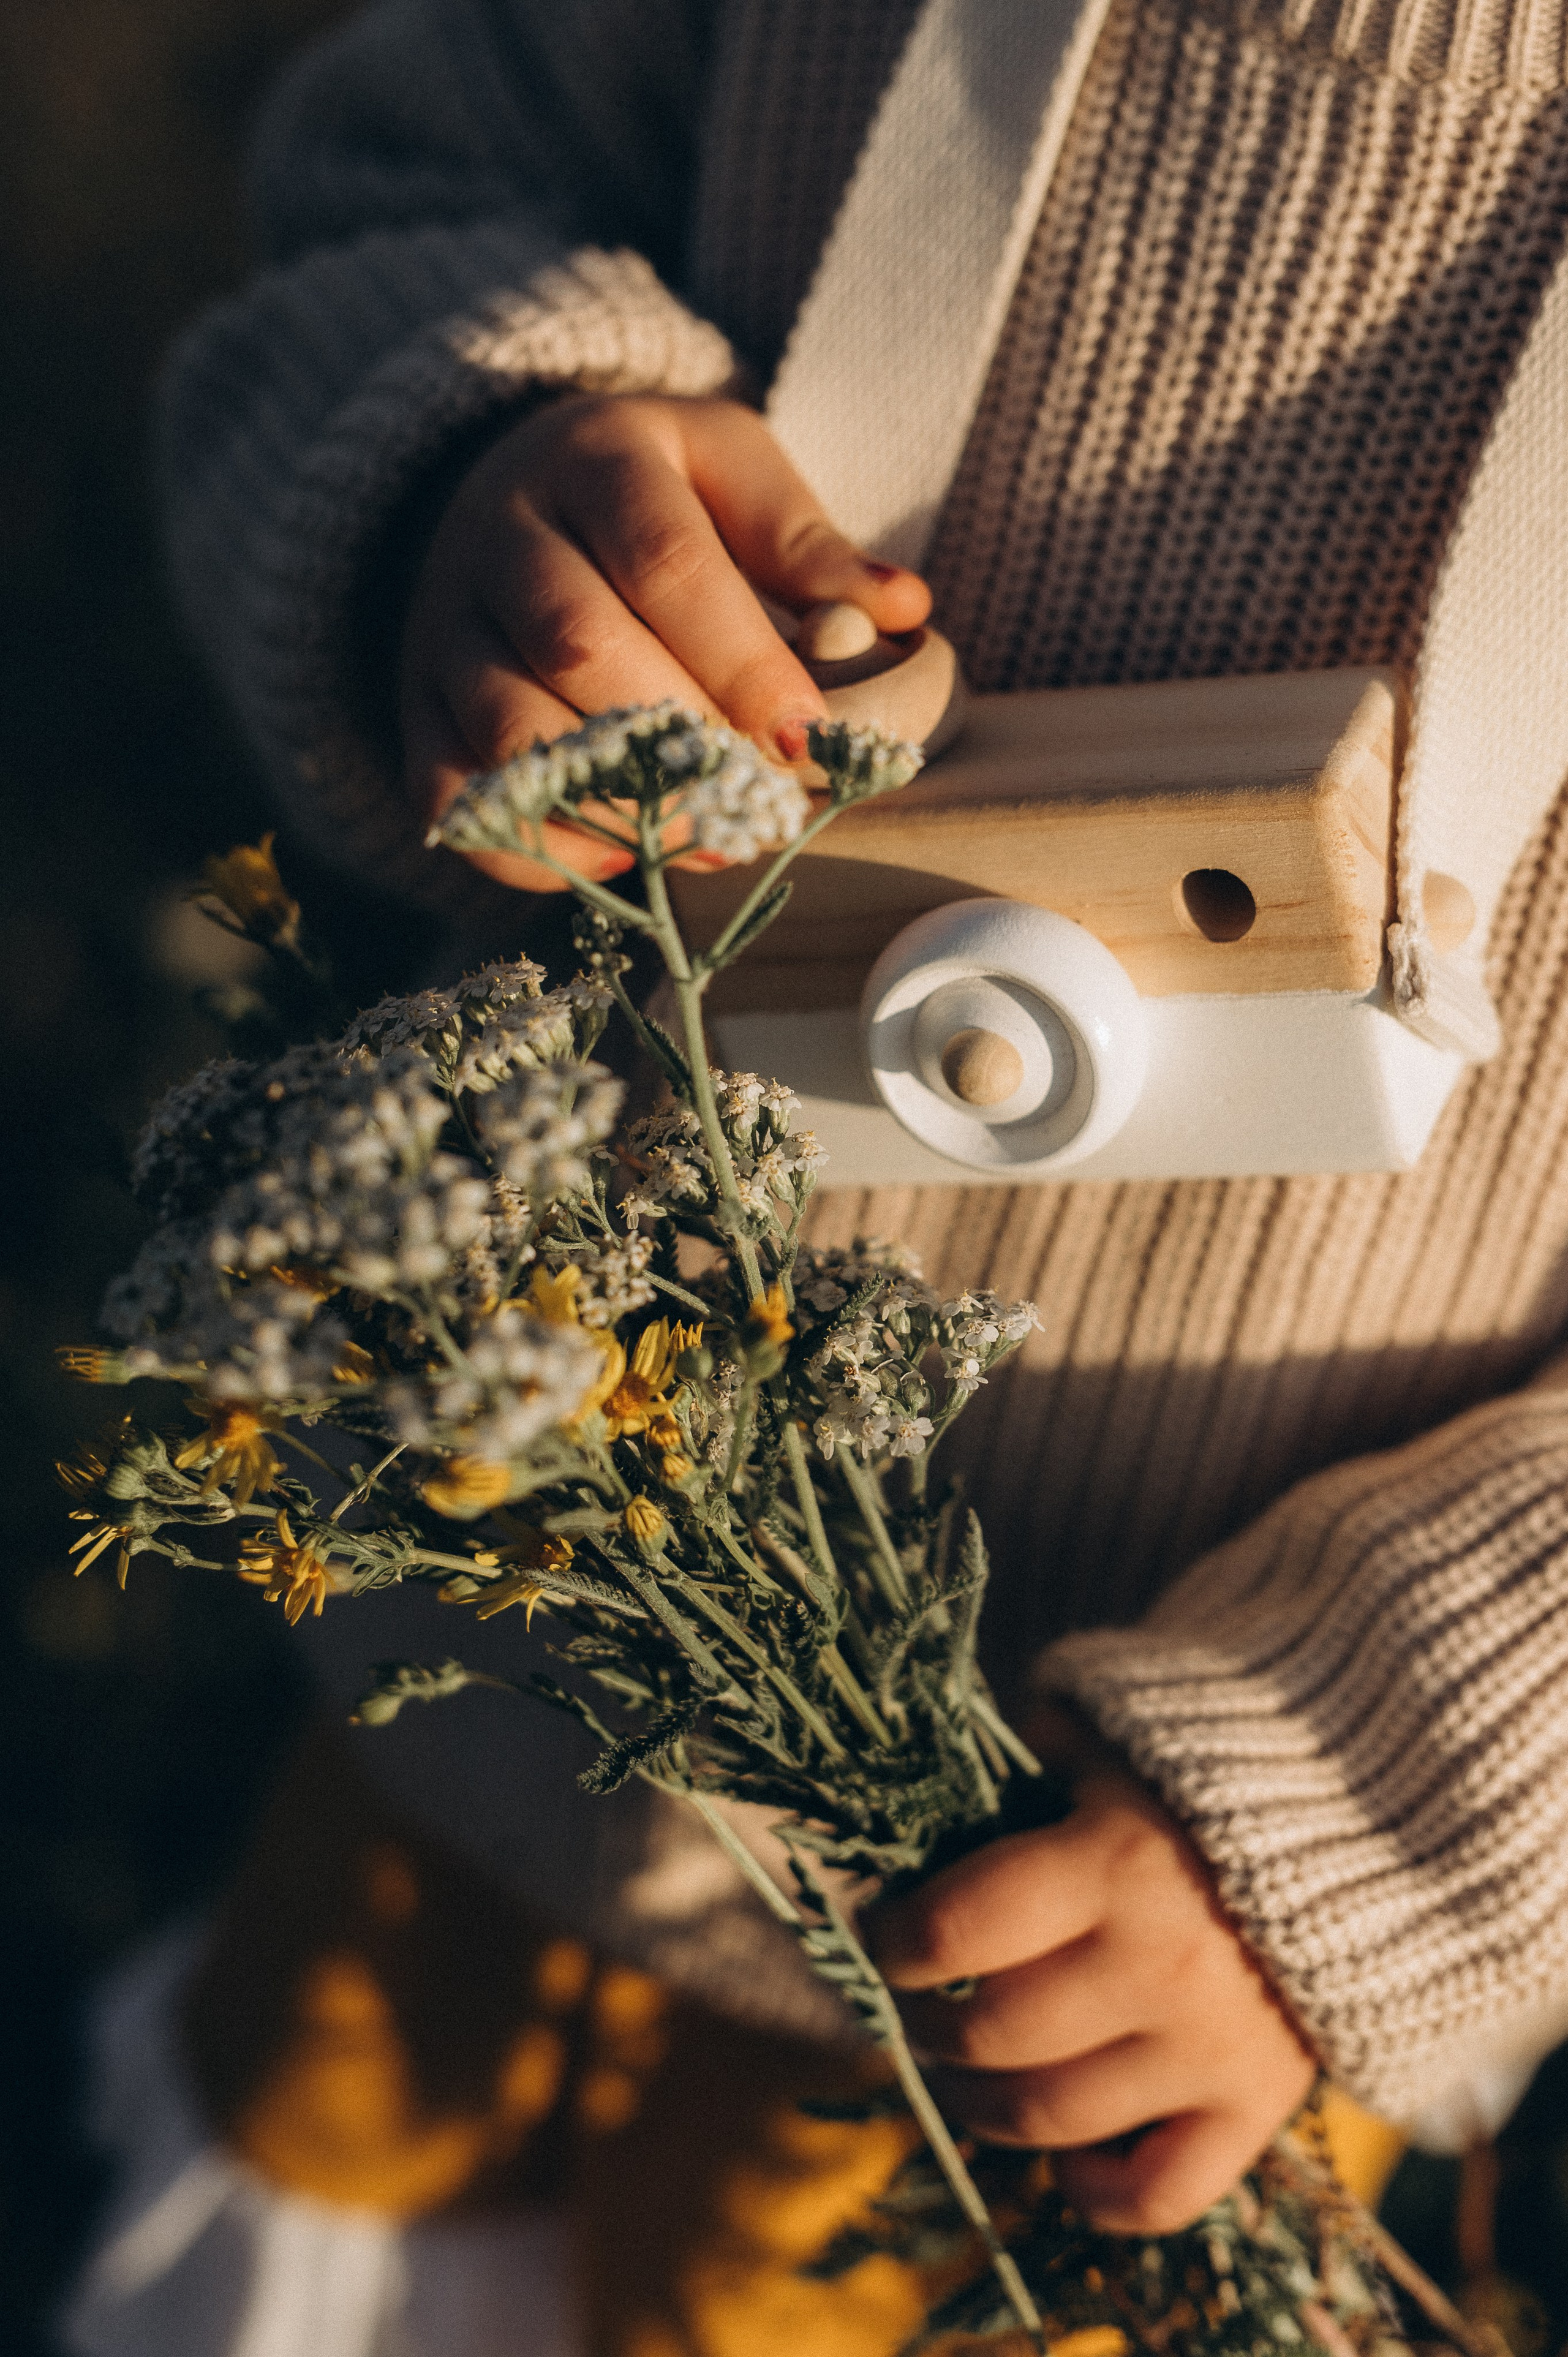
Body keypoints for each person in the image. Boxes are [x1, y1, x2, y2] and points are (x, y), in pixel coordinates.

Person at [79, 0, 1568, 2345]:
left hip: (1089, 1962)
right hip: (486, 1640)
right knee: (324, 2157)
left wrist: (1388, 1801)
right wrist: (478, 489)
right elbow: (402, 156)